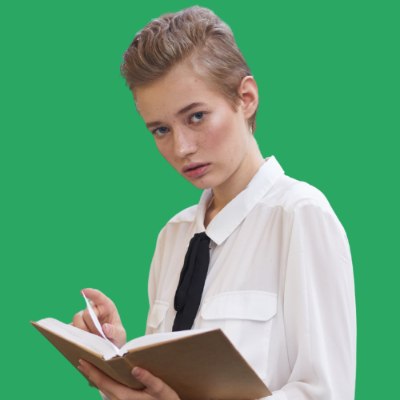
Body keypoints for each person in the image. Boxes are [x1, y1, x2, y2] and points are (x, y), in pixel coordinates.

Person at [73, 6, 356, 400]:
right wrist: (122, 359)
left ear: (246, 97)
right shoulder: (173, 235)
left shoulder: (300, 215)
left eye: (196, 117)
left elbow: (329, 394)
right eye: (160, 129)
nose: (181, 148)